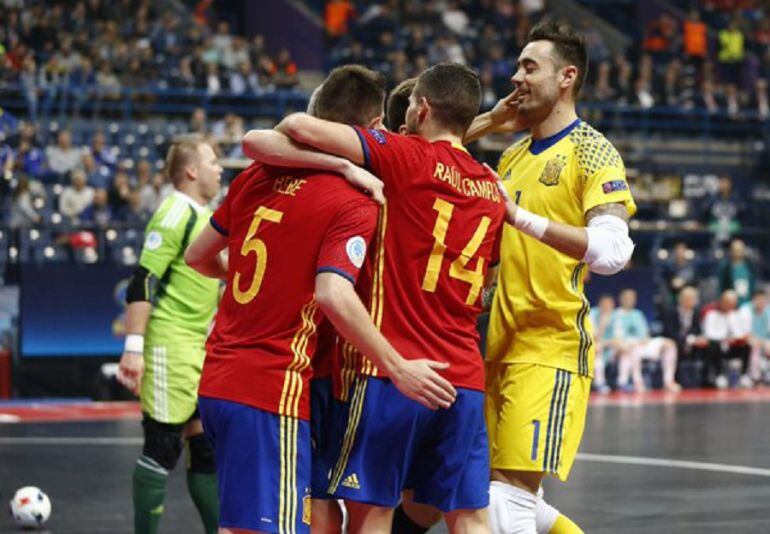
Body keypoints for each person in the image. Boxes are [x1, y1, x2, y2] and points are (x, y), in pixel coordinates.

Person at [186, 65, 456, 534]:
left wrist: (263, 281)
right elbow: (333, 292)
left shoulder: (257, 174)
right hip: (276, 385)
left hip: (219, 381)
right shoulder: (354, 197)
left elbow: (198, 256)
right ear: (374, 129)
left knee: (244, 523)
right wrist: (398, 365)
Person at [245, 62, 506, 533]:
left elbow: (294, 127)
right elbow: (487, 278)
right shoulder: (492, 187)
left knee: (372, 512)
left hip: (393, 372)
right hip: (463, 375)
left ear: (422, 107)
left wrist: (345, 163)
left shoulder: (403, 157)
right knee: (470, 517)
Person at [463, 20, 636, 534]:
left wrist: (520, 218)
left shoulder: (592, 150)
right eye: (517, 65)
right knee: (488, 495)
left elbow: (612, 251)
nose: (515, 77)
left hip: (550, 345)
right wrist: (489, 123)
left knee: (506, 502)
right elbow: (421, 146)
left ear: (567, 77)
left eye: (529, 67)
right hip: (498, 345)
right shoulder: (512, 154)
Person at [116, 139, 223, 534]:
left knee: (206, 450)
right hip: (169, 344)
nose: (219, 169)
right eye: (212, 162)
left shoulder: (205, 214)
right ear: (192, 171)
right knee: (162, 448)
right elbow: (143, 280)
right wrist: (133, 349)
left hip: (199, 346)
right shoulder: (174, 212)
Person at [611, 288, 681, 393]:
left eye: (632, 298)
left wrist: (647, 341)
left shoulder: (638, 314)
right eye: (627, 298)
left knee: (670, 344)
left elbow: (646, 334)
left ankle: (668, 381)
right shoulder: (616, 315)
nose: (630, 300)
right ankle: (638, 383)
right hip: (628, 346)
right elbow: (617, 338)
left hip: (644, 344)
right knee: (633, 349)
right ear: (621, 299)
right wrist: (631, 343)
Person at [703, 289, 751, 389]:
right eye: (728, 303)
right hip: (718, 345)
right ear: (722, 301)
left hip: (733, 346)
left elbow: (740, 332)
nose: (730, 306)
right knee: (714, 345)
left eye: (732, 303)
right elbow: (709, 333)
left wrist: (737, 338)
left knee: (747, 345)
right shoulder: (712, 314)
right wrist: (724, 338)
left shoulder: (736, 315)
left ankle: (744, 375)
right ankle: (719, 375)